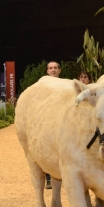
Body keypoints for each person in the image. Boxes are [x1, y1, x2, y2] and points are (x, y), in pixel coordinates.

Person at [44, 61, 61, 189]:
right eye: (51, 68)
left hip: (61, 123)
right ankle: (49, 178)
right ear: (47, 71)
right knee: (48, 151)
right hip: (47, 123)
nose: (53, 70)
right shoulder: (42, 87)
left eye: (55, 68)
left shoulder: (66, 85)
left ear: (59, 71)